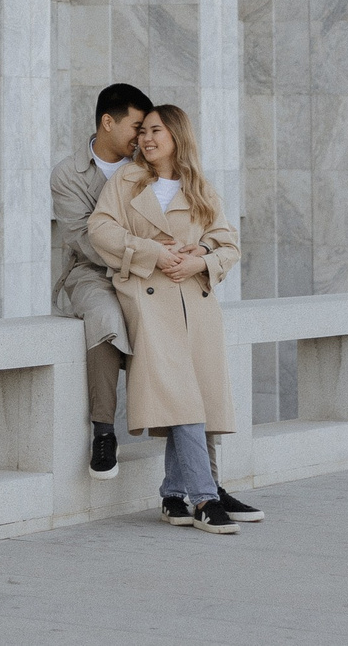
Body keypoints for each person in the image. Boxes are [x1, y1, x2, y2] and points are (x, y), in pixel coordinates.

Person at [85, 103, 261, 534]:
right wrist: (154, 253)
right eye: (142, 131)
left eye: (156, 131)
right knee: (182, 398)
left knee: (195, 398)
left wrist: (200, 258)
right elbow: (100, 230)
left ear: (177, 136)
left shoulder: (198, 186)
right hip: (149, 300)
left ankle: (173, 495)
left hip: (195, 302)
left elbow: (228, 244)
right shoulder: (127, 181)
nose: (146, 139)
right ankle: (205, 496)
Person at [52, 82, 150, 478]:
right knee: (106, 319)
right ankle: (104, 431)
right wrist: (138, 260)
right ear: (108, 122)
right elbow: (83, 239)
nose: (142, 137)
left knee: (169, 322)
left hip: (146, 267)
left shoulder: (148, 165)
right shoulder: (68, 173)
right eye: (137, 127)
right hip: (90, 273)